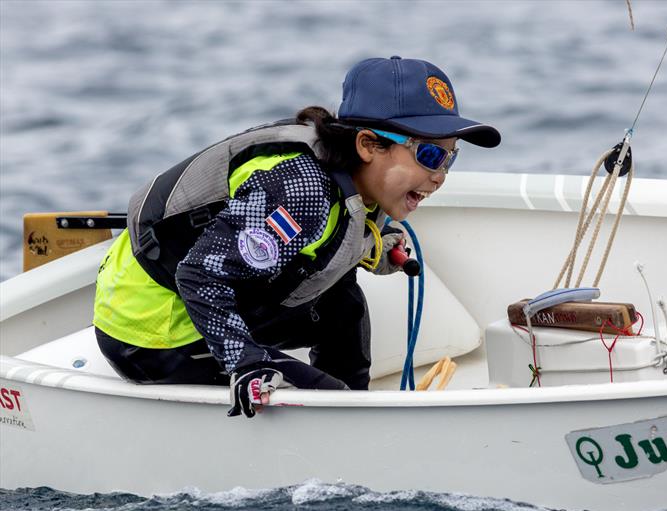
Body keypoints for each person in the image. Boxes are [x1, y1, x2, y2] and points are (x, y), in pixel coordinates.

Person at [92, 56, 501, 417]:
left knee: (342, 301)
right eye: (429, 155)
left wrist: (372, 244)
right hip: (152, 330)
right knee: (325, 396)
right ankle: (344, 415)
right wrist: (246, 363)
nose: (440, 174)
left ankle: (355, 406)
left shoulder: (358, 185)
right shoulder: (302, 191)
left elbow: (335, 242)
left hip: (211, 298)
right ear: (368, 145)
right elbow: (200, 275)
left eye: (450, 156)